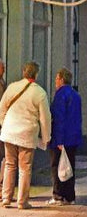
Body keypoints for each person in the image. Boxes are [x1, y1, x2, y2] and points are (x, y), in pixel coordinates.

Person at [0, 62, 52, 209]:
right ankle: (22, 201)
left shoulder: (12, 87)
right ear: (36, 74)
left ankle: (6, 198)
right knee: (25, 167)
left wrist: (5, 125)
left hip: (9, 131)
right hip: (27, 133)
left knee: (10, 164)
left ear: (24, 72)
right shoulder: (40, 93)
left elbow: (2, 107)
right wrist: (46, 137)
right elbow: (45, 118)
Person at [48, 68, 82, 206]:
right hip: (73, 138)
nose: (55, 81)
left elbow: (59, 118)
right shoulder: (76, 95)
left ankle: (58, 195)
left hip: (61, 138)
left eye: (56, 78)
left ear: (61, 79)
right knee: (69, 167)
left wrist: (59, 140)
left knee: (57, 166)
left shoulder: (60, 95)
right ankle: (70, 196)